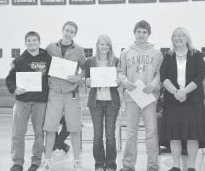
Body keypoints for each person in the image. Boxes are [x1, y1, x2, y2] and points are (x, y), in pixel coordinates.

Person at [160, 27, 205, 171]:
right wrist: (176, 92)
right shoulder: (168, 56)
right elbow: (163, 77)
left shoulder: (196, 55)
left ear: (187, 38)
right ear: (172, 39)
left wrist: (184, 92)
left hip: (193, 100)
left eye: (181, 35)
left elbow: (201, 75)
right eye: (175, 36)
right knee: (174, 134)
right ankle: (176, 166)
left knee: (192, 134)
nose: (178, 38)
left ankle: (191, 166)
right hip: (173, 100)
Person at [118, 20, 163, 171]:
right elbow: (120, 72)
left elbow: (160, 73)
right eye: (139, 31)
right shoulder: (126, 52)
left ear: (148, 34)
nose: (141, 35)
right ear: (134, 32)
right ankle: (128, 166)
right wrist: (125, 82)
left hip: (149, 98)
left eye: (144, 32)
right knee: (131, 134)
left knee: (151, 133)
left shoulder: (156, 52)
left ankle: (152, 166)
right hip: (131, 98)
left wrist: (154, 85)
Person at [43, 21, 86, 171]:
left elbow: (85, 68)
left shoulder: (79, 50)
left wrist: (79, 78)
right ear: (62, 30)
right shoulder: (50, 47)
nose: (68, 33)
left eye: (72, 32)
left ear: (75, 34)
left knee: (74, 127)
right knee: (50, 127)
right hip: (54, 92)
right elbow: (41, 62)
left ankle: (76, 161)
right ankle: (47, 160)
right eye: (67, 30)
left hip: (71, 93)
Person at [6, 31, 51, 171]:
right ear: (25, 43)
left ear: (39, 41)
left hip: (40, 102)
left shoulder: (47, 59)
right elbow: (9, 79)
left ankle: (36, 162)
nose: (31, 43)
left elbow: (54, 76)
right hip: (22, 101)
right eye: (29, 41)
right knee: (18, 133)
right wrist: (14, 89)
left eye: (34, 40)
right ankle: (18, 162)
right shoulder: (18, 60)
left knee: (39, 133)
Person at [84, 35, 120, 171]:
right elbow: (87, 81)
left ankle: (111, 164)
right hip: (96, 103)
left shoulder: (116, 61)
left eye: (107, 45)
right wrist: (87, 82)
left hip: (112, 102)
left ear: (110, 47)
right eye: (102, 44)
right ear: (97, 45)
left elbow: (120, 80)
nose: (104, 47)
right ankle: (99, 164)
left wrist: (118, 82)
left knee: (110, 135)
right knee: (97, 134)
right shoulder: (90, 62)